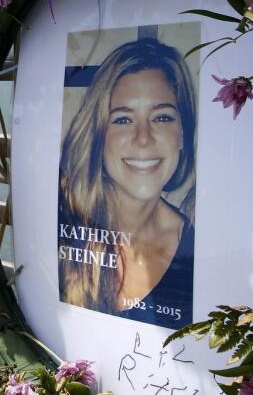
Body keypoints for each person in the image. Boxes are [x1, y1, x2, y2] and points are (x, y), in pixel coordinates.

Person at [58, 37, 197, 327]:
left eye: (162, 117)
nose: (143, 138)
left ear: (183, 134)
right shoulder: (65, 224)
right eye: (122, 120)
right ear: (99, 134)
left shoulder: (199, 248)